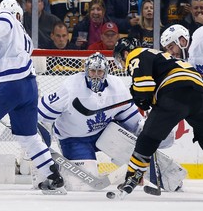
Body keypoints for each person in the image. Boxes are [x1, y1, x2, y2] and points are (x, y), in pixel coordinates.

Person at [0, 0, 65, 195]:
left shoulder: (4, 17)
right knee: (28, 136)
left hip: (9, 83)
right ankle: (53, 176)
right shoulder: (25, 36)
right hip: (29, 86)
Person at [38, 52, 180, 191]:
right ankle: (58, 169)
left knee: (136, 147)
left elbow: (133, 123)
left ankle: (167, 179)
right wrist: (35, 140)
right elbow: (41, 114)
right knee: (83, 186)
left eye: (100, 72)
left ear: (106, 72)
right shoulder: (71, 87)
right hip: (74, 138)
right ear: (86, 71)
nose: (96, 75)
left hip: (105, 133)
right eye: (92, 71)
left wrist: (152, 132)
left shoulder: (117, 87)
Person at [112, 37, 203, 196]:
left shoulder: (135, 53)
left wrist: (141, 98)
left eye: (119, 58)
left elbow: (144, 87)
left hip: (175, 93)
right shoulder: (161, 56)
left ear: (124, 52)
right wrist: (146, 98)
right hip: (200, 95)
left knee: (148, 138)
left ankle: (132, 177)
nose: (122, 62)